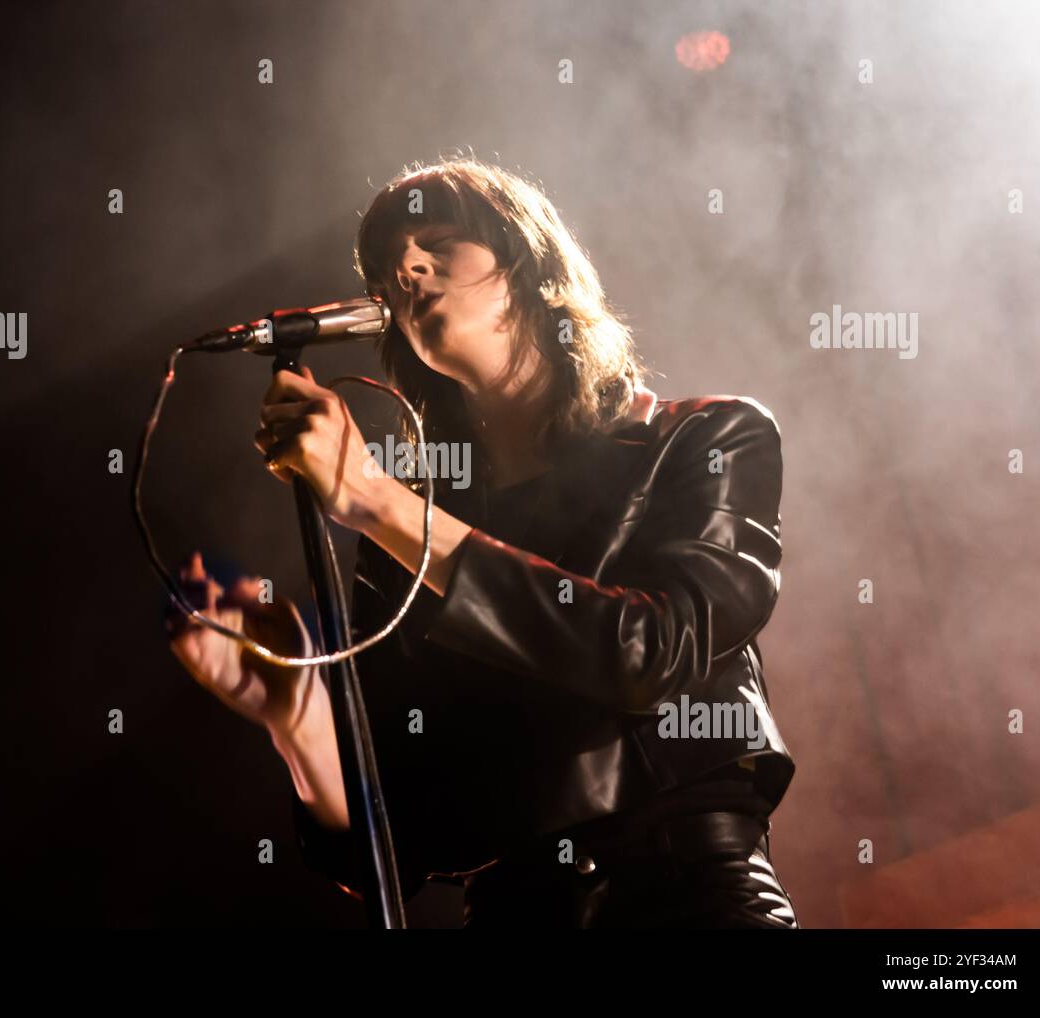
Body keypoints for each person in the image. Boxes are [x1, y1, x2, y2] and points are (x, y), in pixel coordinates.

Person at [166, 157, 800, 929]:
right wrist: (296, 716)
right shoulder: (407, 530)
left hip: (685, 896)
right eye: (388, 264)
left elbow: (646, 652)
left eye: (437, 239)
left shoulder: (707, 439)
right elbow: (391, 851)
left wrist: (375, 501)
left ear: (528, 261)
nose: (406, 267)